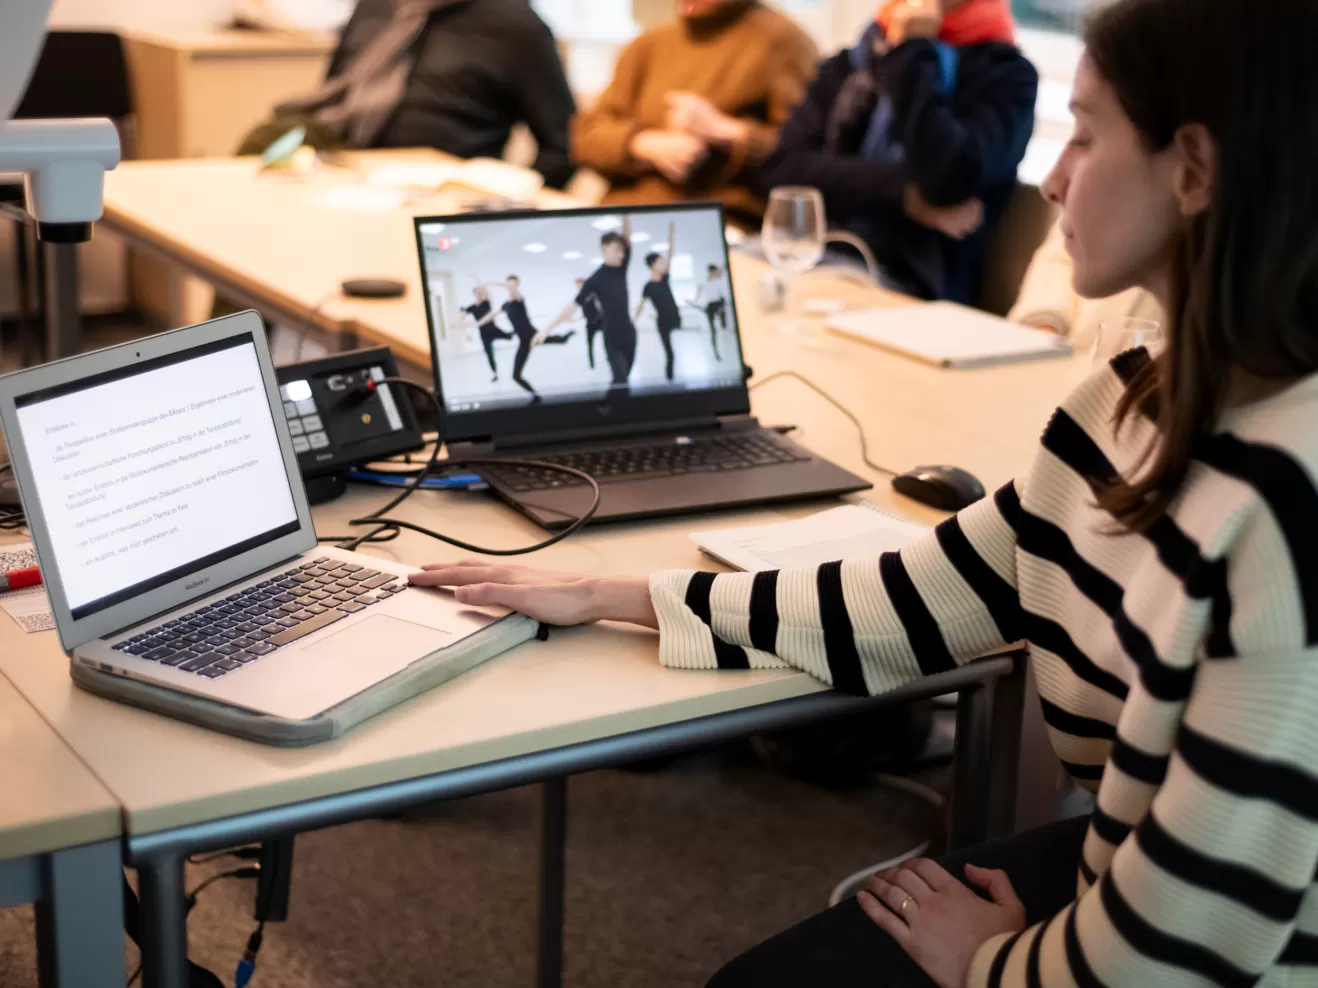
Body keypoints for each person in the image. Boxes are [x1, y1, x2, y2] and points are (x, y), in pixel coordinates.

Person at [410, 0, 1318, 984]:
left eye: (1085, 138)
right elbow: (920, 594)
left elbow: (1192, 952)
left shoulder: (1283, 506)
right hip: (1132, 889)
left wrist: (998, 961)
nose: (1052, 182)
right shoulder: (1123, 399)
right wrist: (619, 595)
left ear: (1194, 169)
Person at [763, 0, 1037, 304]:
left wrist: (912, 52)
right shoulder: (856, 59)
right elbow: (783, 170)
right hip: (818, 253)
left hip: (913, 285)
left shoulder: (1007, 75)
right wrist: (903, 193)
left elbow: (946, 179)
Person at [253, 0, 576, 188]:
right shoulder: (376, 8)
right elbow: (332, 95)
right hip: (345, 175)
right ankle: (237, 307)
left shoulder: (514, 24)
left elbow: (563, 145)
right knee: (267, 144)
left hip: (440, 192)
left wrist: (508, 203)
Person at [571, 0, 817, 226]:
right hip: (622, 216)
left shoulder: (782, 43)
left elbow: (808, 159)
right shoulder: (649, 44)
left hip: (719, 223)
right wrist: (641, 144)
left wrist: (727, 132)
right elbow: (585, 137)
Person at [1009, 218, 1164, 347]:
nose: (1048, 188)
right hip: (1068, 351)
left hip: (1147, 366)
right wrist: (1046, 325)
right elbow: (1060, 253)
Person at [546, 219, 635, 395]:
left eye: (623, 251)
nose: (621, 254)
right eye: (617, 250)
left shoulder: (621, 268)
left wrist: (626, 213)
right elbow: (572, 306)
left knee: (623, 380)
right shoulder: (595, 280)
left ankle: (612, 408)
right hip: (612, 340)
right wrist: (547, 330)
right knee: (621, 380)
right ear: (604, 248)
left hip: (630, 336)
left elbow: (627, 236)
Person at [473, 276, 573, 403]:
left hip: (533, 336)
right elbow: (490, 316)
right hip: (524, 341)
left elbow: (512, 290)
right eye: (509, 285)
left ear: (516, 286)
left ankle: (568, 335)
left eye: (513, 285)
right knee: (516, 376)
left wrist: (490, 283)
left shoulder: (518, 299)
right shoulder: (506, 305)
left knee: (561, 340)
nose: (510, 288)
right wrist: (474, 324)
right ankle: (535, 396)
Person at [637, 224, 682, 382]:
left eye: (664, 262)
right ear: (653, 266)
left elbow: (671, 254)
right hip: (662, 322)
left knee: (676, 349)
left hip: (674, 317)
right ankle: (670, 380)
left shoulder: (665, 279)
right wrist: (632, 321)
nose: (664, 264)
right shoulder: (648, 287)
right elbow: (641, 305)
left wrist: (670, 233)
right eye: (661, 262)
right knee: (670, 353)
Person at [460, 285, 514, 382]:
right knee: (489, 354)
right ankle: (495, 374)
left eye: (481, 292)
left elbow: (487, 292)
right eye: (477, 292)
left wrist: (480, 283)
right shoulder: (471, 307)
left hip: (494, 330)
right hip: (484, 335)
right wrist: (467, 333)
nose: (480, 294)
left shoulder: (486, 302)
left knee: (509, 336)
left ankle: (518, 331)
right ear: (474, 294)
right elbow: (461, 320)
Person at [689, 264, 728, 360]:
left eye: (716, 272)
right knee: (713, 330)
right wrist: (692, 301)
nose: (715, 274)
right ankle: (716, 352)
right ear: (710, 272)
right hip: (710, 305)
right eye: (713, 272)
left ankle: (723, 323)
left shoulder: (718, 281)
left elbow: (721, 272)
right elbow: (697, 295)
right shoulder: (702, 282)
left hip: (719, 303)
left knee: (723, 325)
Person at [574, 278, 606, 370]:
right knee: (589, 343)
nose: (578, 286)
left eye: (580, 284)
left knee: (608, 340)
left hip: (600, 321)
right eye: (577, 285)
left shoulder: (592, 294)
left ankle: (610, 357)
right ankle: (591, 364)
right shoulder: (580, 297)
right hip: (590, 323)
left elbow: (600, 307)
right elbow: (584, 310)